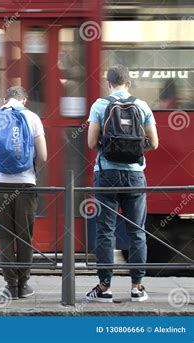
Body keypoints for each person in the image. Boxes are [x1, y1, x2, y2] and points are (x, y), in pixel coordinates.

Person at [86, 64, 159, 303]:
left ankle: (104, 288)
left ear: (109, 84)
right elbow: (154, 143)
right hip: (135, 175)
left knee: (105, 231)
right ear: (128, 83)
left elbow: (90, 142)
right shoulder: (142, 105)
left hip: (106, 174)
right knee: (137, 231)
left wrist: (110, 150)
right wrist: (135, 151)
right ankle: (137, 288)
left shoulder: (100, 104)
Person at [0, 86, 47, 299]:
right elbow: (43, 156)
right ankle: (24, 284)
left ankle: (11, 285)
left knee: (4, 237)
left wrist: (1, 165)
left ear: (4, 99)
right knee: (25, 236)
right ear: (24, 100)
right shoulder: (33, 117)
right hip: (26, 185)